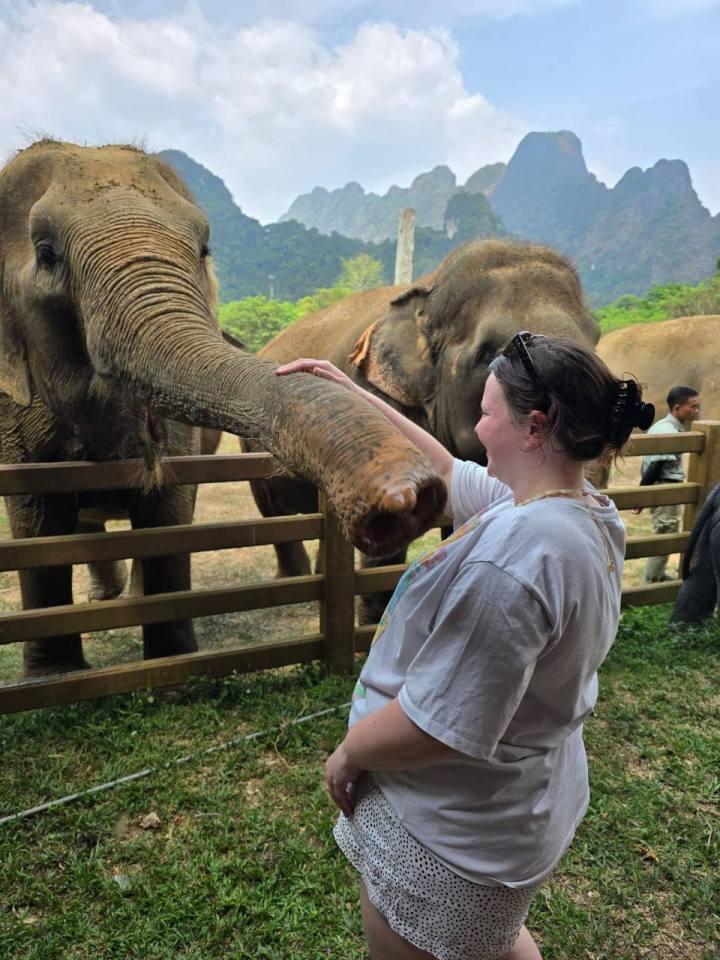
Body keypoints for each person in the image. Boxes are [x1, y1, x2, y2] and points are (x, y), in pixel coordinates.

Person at [276, 333, 654, 960]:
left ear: (535, 427)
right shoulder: (575, 509)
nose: (475, 427)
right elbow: (449, 473)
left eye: (487, 411)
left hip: (451, 836)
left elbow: (437, 727)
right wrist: (354, 395)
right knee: (494, 941)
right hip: (512, 808)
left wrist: (348, 754)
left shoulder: (516, 564)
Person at [636, 386, 701, 583]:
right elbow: (656, 464)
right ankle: (652, 582)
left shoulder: (669, 427)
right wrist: (640, 496)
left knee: (668, 531)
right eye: (693, 406)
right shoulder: (667, 430)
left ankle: (658, 575)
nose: (696, 410)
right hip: (665, 492)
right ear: (677, 408)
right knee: (665, 535)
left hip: (667, 491)